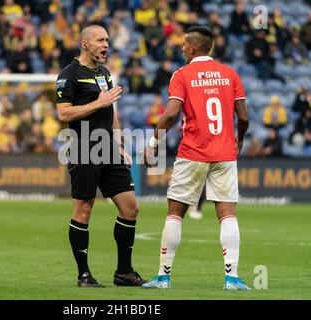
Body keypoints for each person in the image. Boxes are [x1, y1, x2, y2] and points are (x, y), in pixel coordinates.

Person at [142, 26, 250, 290]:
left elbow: (170, 114)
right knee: (228, 215)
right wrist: (240, 140)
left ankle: (164, 277)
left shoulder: (182, 75)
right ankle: (232, 278)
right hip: (225, 153)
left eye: (183, 45)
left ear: (192, 47)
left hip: (192, 152)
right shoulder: (230, 74)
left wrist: (153, 143)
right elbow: (244, 117)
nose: (181, 48)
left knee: (175, 214)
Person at [55, 25, 146, 288]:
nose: (106, 44)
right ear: (85, 44)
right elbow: (63, 114)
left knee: (131, 208)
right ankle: (83, 275)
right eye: (100, 40)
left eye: (107, 40)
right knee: (83, 211)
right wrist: (99, 103)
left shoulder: (105, 73)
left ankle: (124, 272)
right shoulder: (68, 75)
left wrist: (119, 145)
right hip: (84, 147)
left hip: (108, 149)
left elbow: (112, 113)